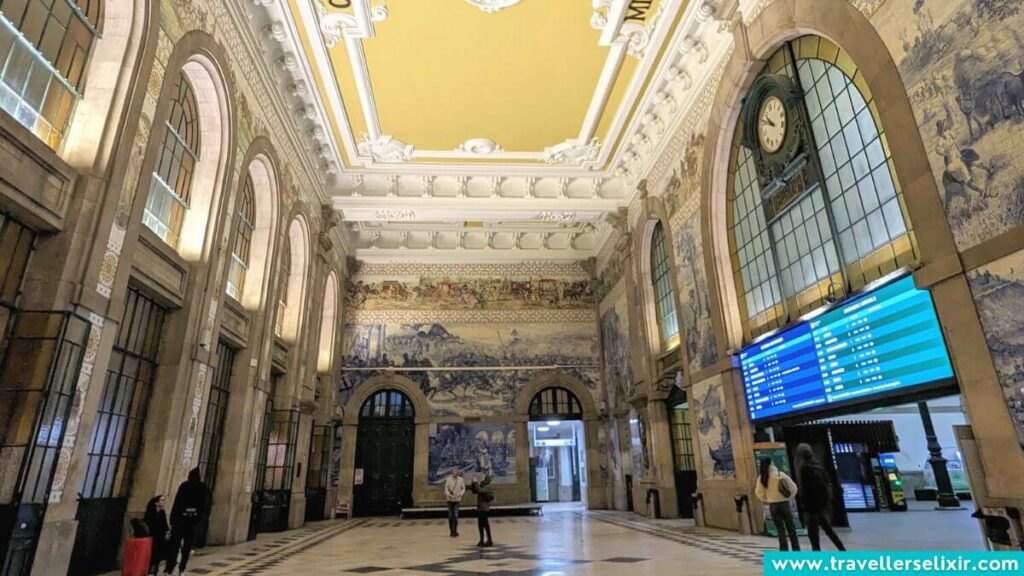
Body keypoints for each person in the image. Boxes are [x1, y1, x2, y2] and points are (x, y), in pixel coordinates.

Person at [794, 444, 846, 551]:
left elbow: (807, 489)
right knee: (829, 531)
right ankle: (842, 550)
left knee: (813, 535)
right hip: (822, 506)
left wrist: (804, 505)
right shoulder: (818, 466)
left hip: (811, 507)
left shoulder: (805, 469)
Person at [167, 468, 209, 575]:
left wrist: (173, 518)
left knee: (174, 545)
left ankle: (170, 568)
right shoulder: (202, 487)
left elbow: (177, 503)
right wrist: (199, 517)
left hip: (180, 521)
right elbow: (204, 505)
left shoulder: (184, 486)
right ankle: (182, 568)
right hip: (191, 522)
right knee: (186, 546)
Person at [754, 457, 800, 551]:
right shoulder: (780, 474)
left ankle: (783, 550)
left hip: (773, 506)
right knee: (791, 528)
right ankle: (796, 549)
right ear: (772, 463)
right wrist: (788, 497)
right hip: (784, 504)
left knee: (780, 529)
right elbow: (793, 487)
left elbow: (759, 493)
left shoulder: (762, 478)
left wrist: (768, 498)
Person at [144, 495, 171, 575]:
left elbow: (165, 524)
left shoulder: (162, 512)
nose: (164, 502)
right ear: (156, 502)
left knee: (158, 555)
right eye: (162, 500)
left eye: (164, 500)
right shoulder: (150, 512)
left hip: (160, 537)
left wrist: (167, 533)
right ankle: (149, 571)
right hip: (152, 536)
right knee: (151, 555)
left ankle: (154, 571)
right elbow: (148, 524)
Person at [469, 472, 494, 547]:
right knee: (480, 524)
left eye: (483, 476)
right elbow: (475, 491)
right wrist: (473, 483)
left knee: (485, 524)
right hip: (480, 508)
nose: (482, 477)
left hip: (484, 508)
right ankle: (482, 540)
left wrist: (475, 482)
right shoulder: (482, 485)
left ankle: (489, 540)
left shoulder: (487, 486)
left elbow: (479, 490)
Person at [444, 467, 466, 537]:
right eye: (453, 472)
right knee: (450, 516)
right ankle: (451, 531)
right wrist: (448, 494)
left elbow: (463, 488)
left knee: (455, 516)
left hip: (457, 500)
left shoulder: (461, 480)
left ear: (458, 473)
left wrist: (460, 494)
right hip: (450, 500)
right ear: (452, 473)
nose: (455, 473)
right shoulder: (448, 479)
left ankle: (455, 531)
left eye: (456, 472)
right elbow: (446, 488)